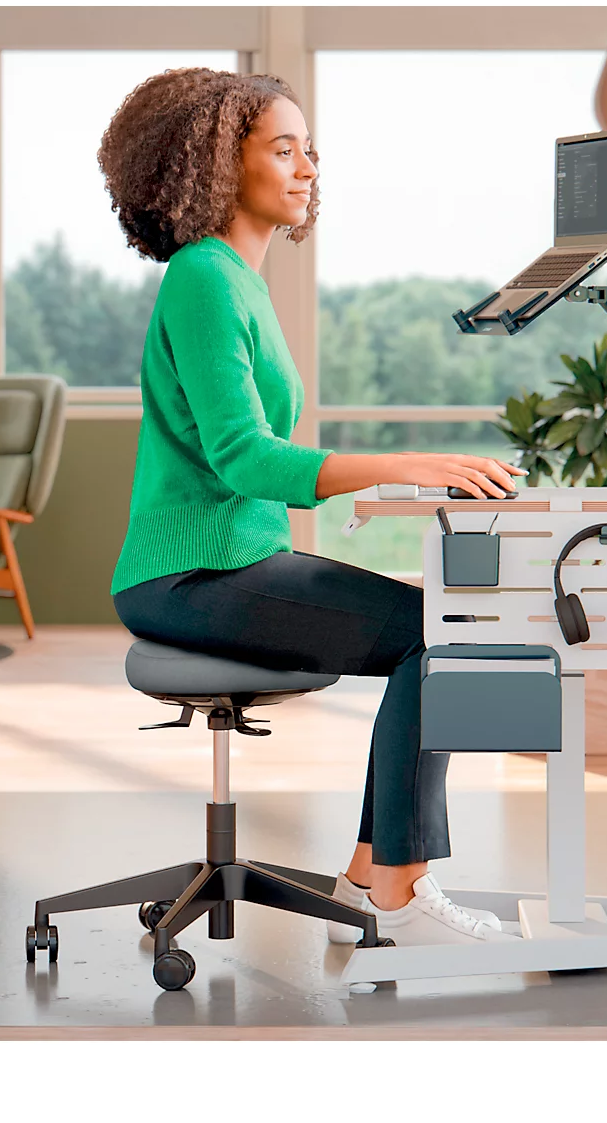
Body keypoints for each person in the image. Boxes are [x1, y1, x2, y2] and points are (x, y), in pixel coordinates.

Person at [100, 67, 523, 947]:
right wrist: (406, 464)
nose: (306, 170)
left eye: (310, 152)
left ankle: (375, 880)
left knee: (436, 626)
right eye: (281, 149)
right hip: (192, 572)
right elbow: (242, 456)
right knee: (436, 634)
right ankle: (394, 895)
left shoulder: (239, 281)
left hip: (230, 560)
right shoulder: (205, 277)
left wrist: (403, 480)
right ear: (219, 164)